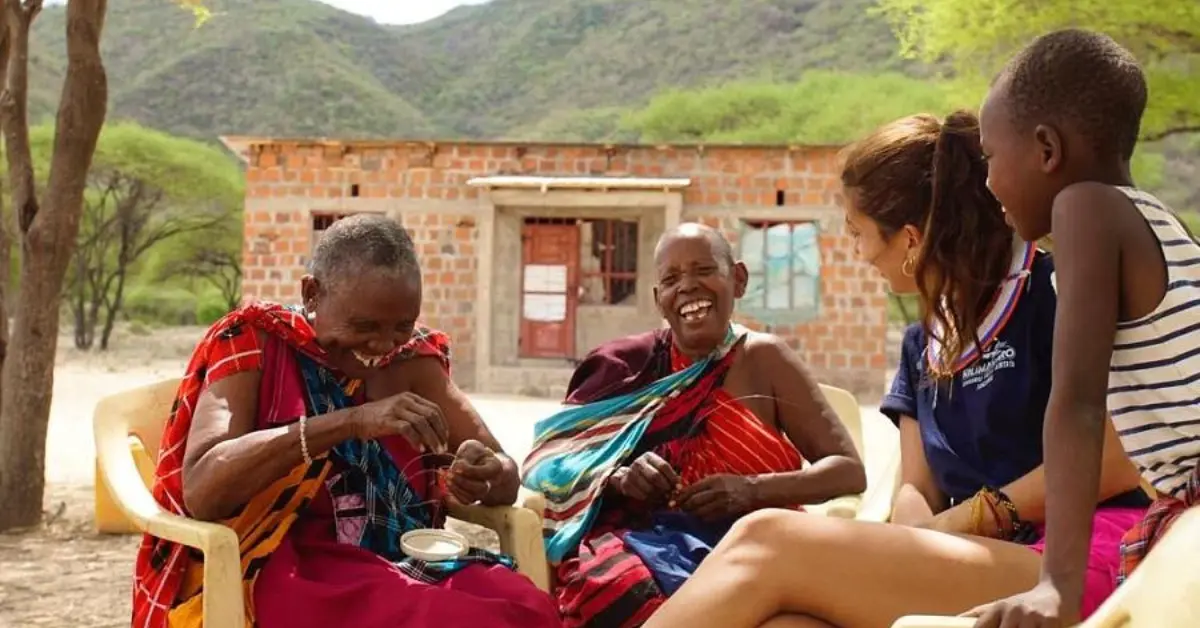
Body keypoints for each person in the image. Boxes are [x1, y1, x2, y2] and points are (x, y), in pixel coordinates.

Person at [637, 112, 1151, 628]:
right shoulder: (922, 344)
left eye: (858, 233)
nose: (859, 254)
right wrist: (913, 538)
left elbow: (1119, 453)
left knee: (765, 538)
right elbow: (916, 487)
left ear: (910, 240)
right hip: (970, 554)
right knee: (788, 623)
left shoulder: (1054, 293)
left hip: (1072, 557)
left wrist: (968, 519)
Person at [131, 214, 561, 628]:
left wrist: (483, 475)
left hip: (399, 554)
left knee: (528, 605)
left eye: (401, 326)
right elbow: (205, 490)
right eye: (365, 325)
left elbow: (505, 475)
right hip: (283, 561)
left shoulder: (414, 360)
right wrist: (349, 422)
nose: (382, 344)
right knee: (455, 618)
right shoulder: (255, 342)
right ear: (312, 293)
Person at [521, 223, 867, 627]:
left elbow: (848, 471)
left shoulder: (765, 360)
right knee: (616, 584)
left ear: (737, 280)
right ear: (658, 299)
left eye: (703, 270)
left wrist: (751, 490)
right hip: (648, 544)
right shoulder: (625, 366)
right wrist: (617, 477)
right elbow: (552, 457)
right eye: (671, 279)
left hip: (759, 547)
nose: (687, 287)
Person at [967, 29, 1200, 628]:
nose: (989, 183)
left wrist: (1056, 586)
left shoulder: (1084, 210)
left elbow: (1077, 405)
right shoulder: (1156, 219)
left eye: (991, 157)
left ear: (1046, 149)